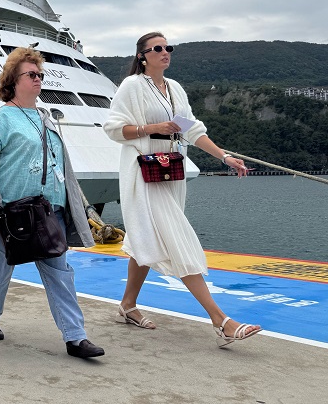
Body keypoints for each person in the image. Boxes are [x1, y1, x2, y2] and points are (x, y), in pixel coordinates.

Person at [103, 32, 260, 347]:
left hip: (169, 171)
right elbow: (114, 128)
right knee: (176, 237)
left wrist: (225, 157)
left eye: (168, 47)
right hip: (141, 171)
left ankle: (127, 306)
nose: (165, 52)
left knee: (147, 238)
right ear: (142, 56)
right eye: (158, 48)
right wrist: (153, 128)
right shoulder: (132, 86)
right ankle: (221, 321)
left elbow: (191, 130)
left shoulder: (174, 88)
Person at [0, 48, 104, 359]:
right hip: (10, 212)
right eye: (31, 74)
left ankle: (76, 337)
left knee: (60, 271)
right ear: (13, 81)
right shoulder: (2, 118)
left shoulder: (45, 118)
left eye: (40, 74)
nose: (38, 79)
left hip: (48, 210)